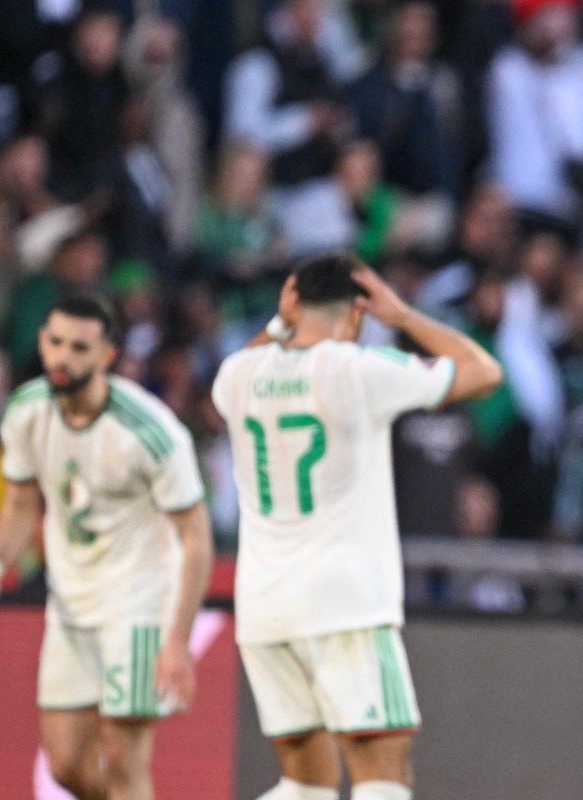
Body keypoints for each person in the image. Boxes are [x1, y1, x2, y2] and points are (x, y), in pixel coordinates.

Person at [211, 252, 501, 800]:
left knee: (306, 786)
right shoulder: (358, 369)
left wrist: (279, 325)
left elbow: (238, 371)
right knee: (383, 778)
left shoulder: (240, 373)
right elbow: (485, 373)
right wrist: (406, 316)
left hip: (266, 610)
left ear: (292, 302)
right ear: (358, 313)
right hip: (344, 605)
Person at [0, 293, 213, 798]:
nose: (63, 357)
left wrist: (178, 640)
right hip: (70, 607)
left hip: (137, 605)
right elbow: (21, 501)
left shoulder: (150, 432)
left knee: (123, 760)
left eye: (79, 348)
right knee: (66, 766)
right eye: (56, 343)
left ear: (106, 356)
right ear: (42, 342)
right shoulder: (27, 410)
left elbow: (197, 537)